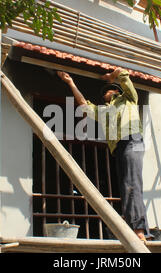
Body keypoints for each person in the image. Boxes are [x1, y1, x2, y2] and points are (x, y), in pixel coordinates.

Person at [57, 68, 152, 242]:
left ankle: (139, 230)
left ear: (117, 91)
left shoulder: (129, 99)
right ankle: (133, 228)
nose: (105, 94)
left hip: (133, 141)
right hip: (119, 148)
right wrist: (70, 82)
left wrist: (111, 77)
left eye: (109, 90)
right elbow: (84, 105)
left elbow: (122, 73)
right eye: (104, 93)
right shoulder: (103, 112)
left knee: (132, 184)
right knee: (125, 187)